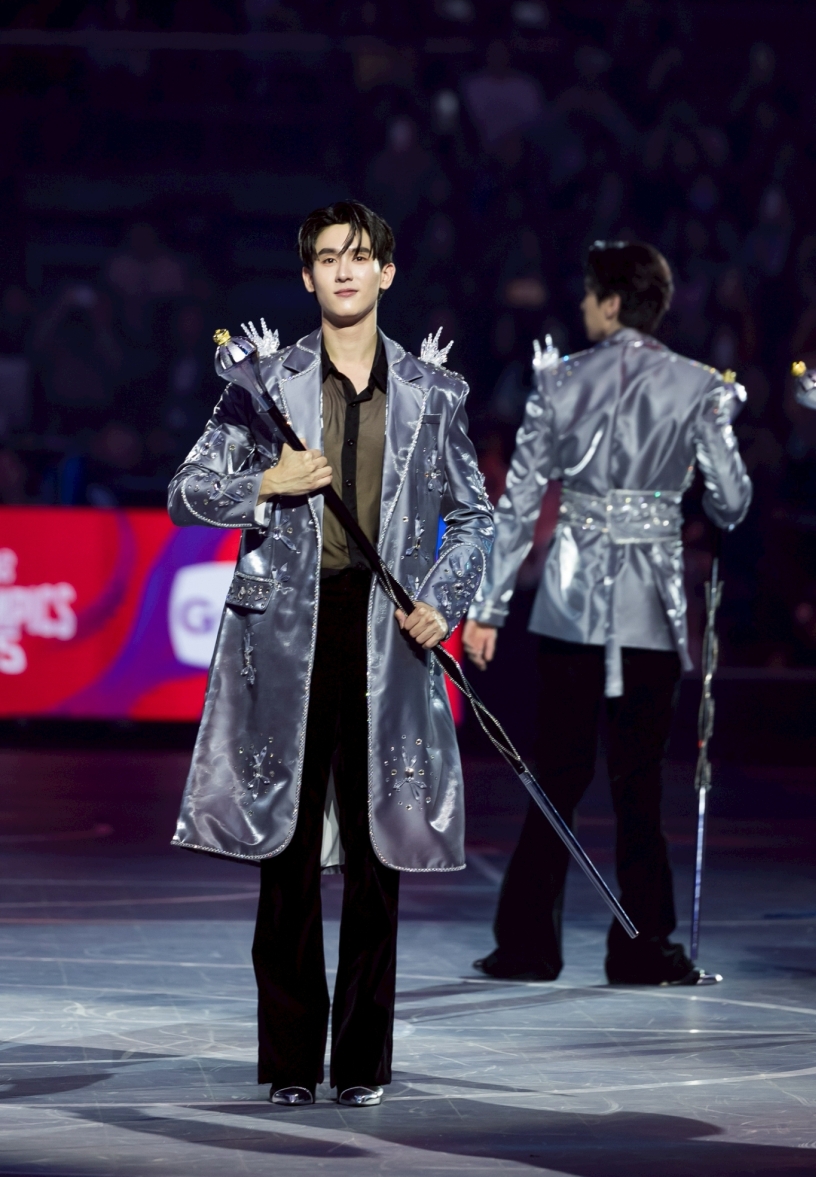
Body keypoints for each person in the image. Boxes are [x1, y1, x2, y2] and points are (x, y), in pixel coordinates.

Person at [168, 201, 493, 1106]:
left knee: (378, 857)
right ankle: (287, 1064)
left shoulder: (434, 394)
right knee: (285, 854)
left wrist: (444, 599)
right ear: (306, 275)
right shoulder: (262, 385)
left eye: (359, 256)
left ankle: (360, 1065)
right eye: (326, 257)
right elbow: (186, 491)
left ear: (387, 271)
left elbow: (473, 518)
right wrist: (266, 480)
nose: (343, 270)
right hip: (285, 637)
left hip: (388, 634)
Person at [463, 240, 752, 986]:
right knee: (639, 783)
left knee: (555, 773)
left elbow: (520, 503)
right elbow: (731, 502)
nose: (586, 306)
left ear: (614, 302)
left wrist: (488, 608)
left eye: (593, 295)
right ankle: (644, 946)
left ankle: (528, 945)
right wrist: (722, 422)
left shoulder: (559, 382)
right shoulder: (698, 384)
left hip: (571, 603)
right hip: (649, 606)